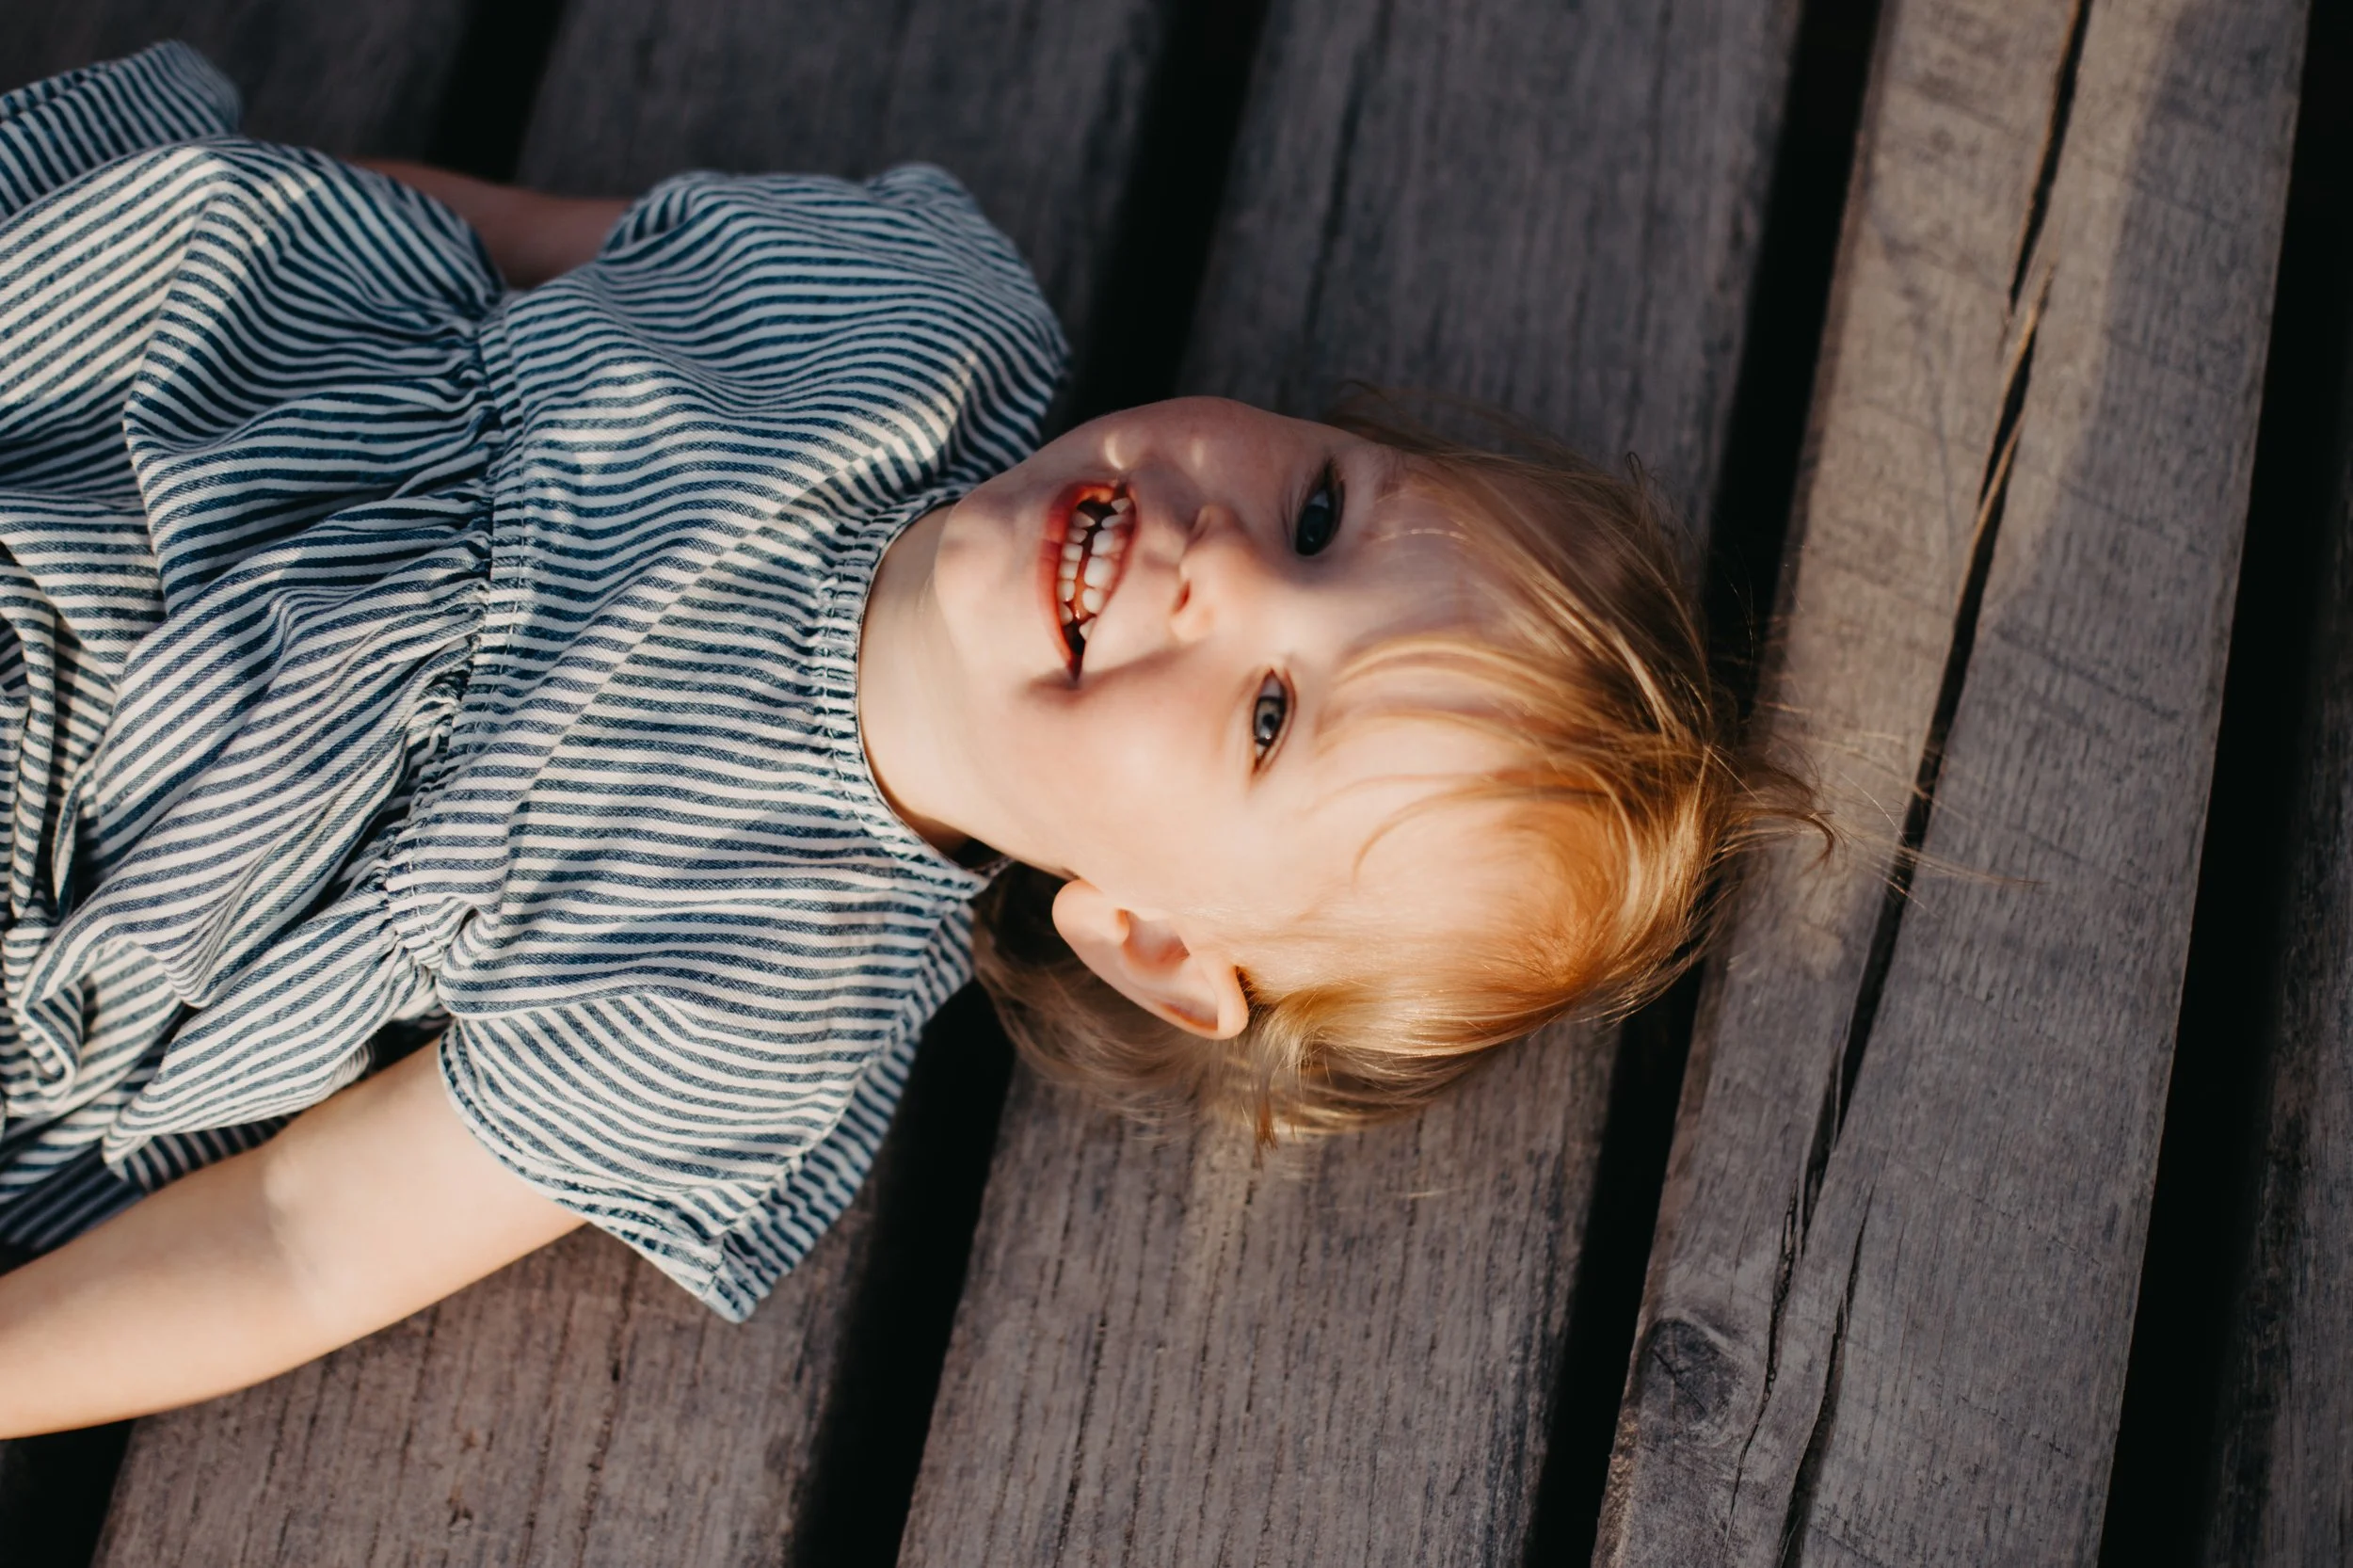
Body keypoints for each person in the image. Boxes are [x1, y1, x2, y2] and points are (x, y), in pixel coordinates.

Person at [0, 43, 1817, 1436]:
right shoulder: (916, 310)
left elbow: (305, 1232)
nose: (1220, 562)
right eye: (1325, 511)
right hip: (104, 393)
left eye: (1272, 713)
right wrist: (196, 222)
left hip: (89, 830)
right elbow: (476, 244)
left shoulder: (758, 996)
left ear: (1154, 939)